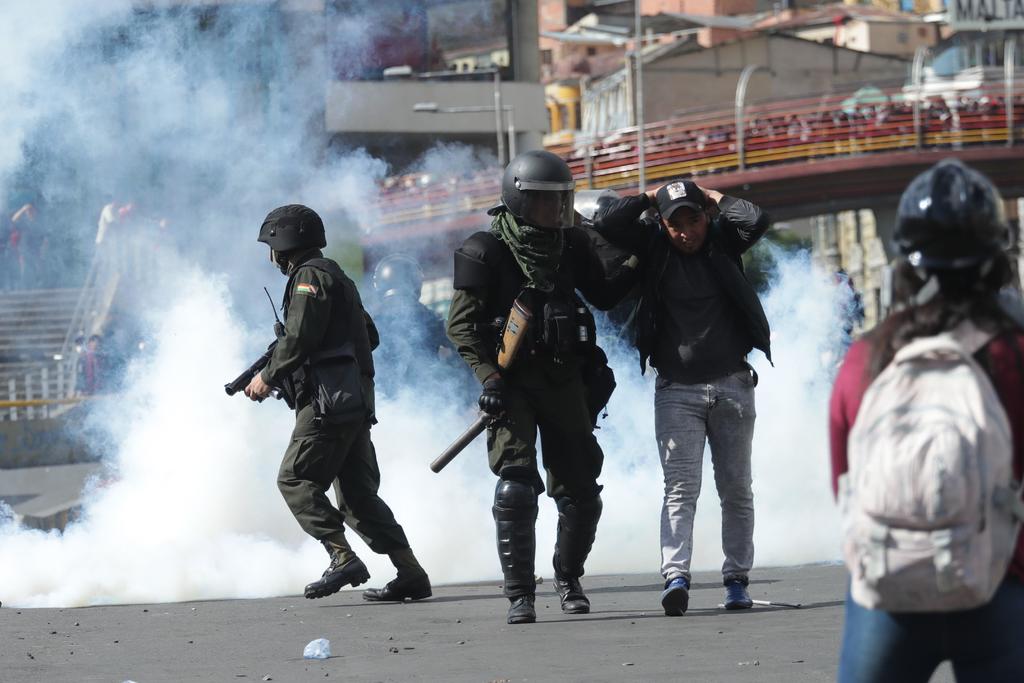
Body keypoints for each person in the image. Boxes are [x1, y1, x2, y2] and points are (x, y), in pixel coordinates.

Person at [829, 159, 1024, 682]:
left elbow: (844, 483)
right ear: (995, 261)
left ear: (906, 264)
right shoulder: (1016, 352)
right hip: (1003, 580)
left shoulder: (866, 358)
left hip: (890, 588)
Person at [446, 150, 633, 624]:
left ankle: (568, 578)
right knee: (516, 487)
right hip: (512, 386)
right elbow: (461, 328)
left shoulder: (572, 245)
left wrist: (637, 256)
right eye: (546, 203)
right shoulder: (484, 251)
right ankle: (520, 595)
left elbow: (606, 295)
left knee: (582, 491)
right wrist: (488, 377)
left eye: (562, 202)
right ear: (518, 200)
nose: (557, 212)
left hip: (566, 379)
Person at [593, 179, 772, 616]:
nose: (686, 232)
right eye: (676, 224)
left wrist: (710, 195)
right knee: (680, 489)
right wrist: (652, 197)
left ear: (706, 218)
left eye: (693, 220)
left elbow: (758, 219)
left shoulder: (724, 241)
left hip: (733, 384)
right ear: (663, 224)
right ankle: (676, 576)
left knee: (736, 488)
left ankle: (736, 580)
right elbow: (606, 221)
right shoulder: (654, 247)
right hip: (676, 390)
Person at [244, 204, 431, 603]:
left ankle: (341, 556)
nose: (270, 256)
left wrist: (268, 376)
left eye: (271, 246)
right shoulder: (338, 276)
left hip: (328, 403)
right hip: (353, 402)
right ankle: (410, 572)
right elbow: (370, 335)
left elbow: (298, 340)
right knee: (358, 497)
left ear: (285, 243)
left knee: (294, 479)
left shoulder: (309, 277)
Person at [369, 253, 451, 397]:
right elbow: (459, 342)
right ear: (416, 282)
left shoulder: (370, 320)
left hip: (380, 402)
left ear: (379, 283)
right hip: (427, 399)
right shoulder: (430, 317)